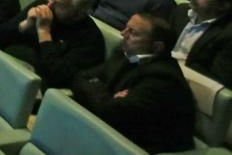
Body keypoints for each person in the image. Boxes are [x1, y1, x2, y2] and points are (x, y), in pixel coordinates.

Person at [71, 13, 196, 154]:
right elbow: (80, 77)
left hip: (142, 146)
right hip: (113, 130)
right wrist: (107, 95)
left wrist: (99, 89)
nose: (123, 33)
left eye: (133, 33)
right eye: (126, 28)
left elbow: (109, 112)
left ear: (157, 47)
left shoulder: (162, 78)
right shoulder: (124, 53)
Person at [0, 0, 105, 89]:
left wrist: (44, 33)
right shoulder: (43, 5)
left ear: (77, 11)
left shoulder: (90, 39)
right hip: (8, 65)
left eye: (58, 4)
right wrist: (25, 24)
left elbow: (58, 76)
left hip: (36, 85)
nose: (49, 5)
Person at [170, 0, 232, 86]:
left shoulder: (227, 35)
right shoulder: (181, 11)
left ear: (223, 6)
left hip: (189, 84)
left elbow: (216, 79)